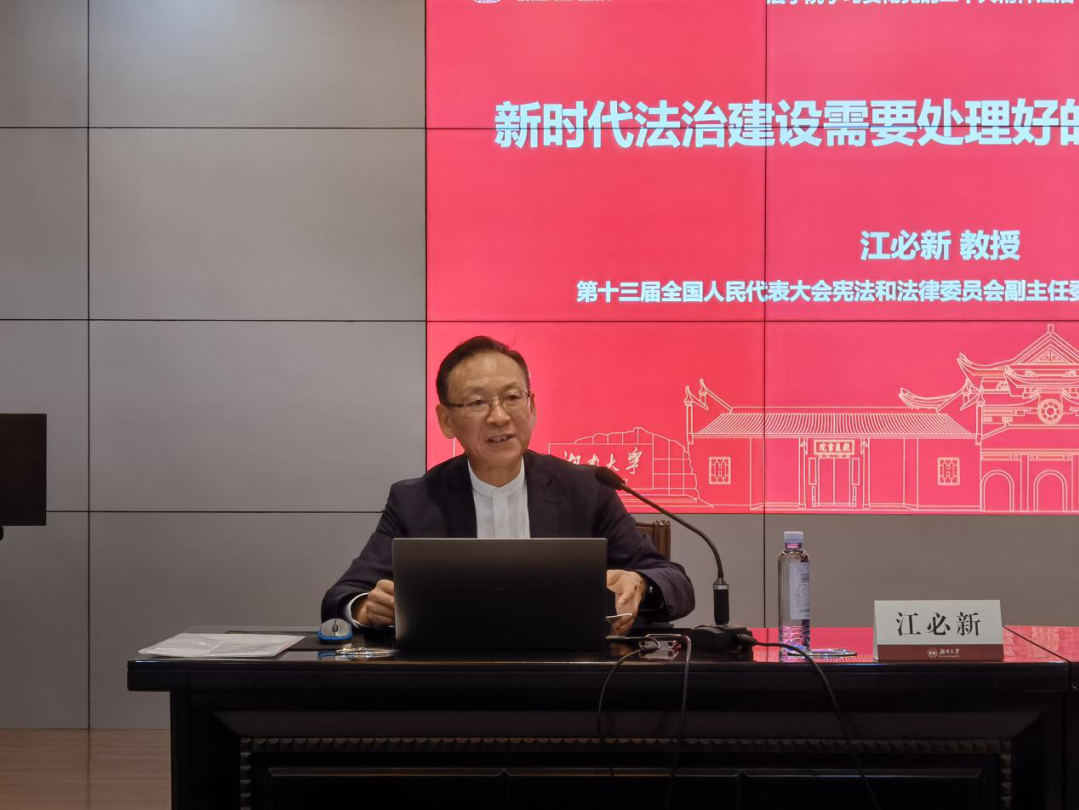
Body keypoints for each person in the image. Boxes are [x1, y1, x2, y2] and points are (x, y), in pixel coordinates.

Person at [321, 336, 695, 636]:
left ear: (531, 406)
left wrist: (639, 583)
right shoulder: (415, 501)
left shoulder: (586, 489)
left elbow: (675, 581)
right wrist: (364, 607)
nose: (499, 417)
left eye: (513, 397)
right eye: (477, 402)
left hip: (571, 679)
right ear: (446, 420)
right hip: (452, 680)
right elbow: (341, 596)